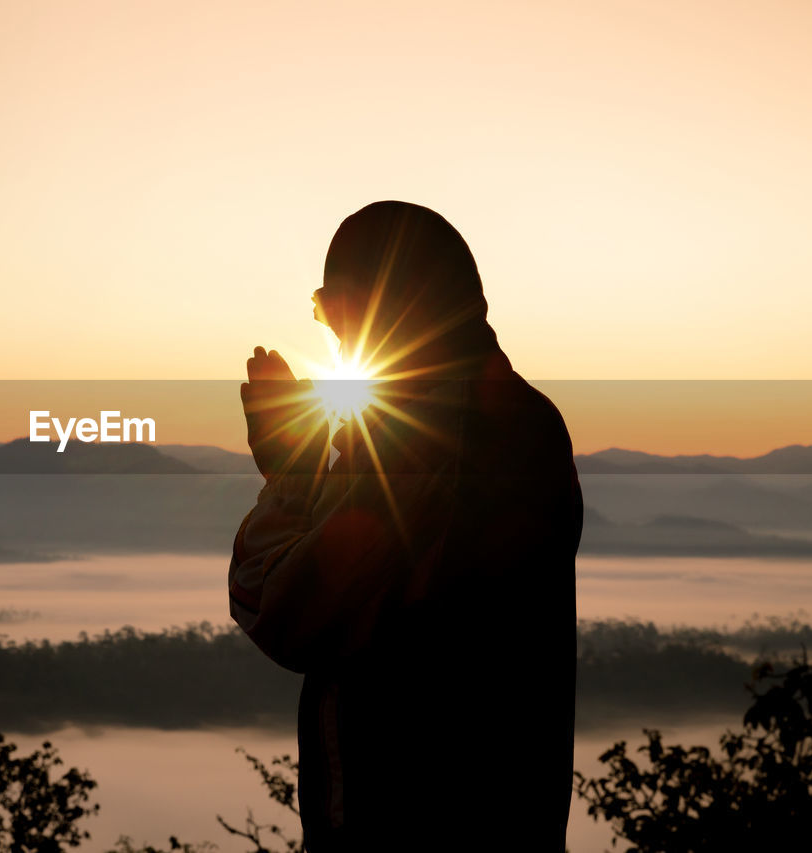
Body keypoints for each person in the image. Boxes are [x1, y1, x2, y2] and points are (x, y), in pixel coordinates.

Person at [229, 201, 583, 850]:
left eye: (334, 309)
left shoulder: (435, 440)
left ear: (382, 306)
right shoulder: (515, 418)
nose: (334, 333)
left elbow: (290, 608)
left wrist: (289, 472)